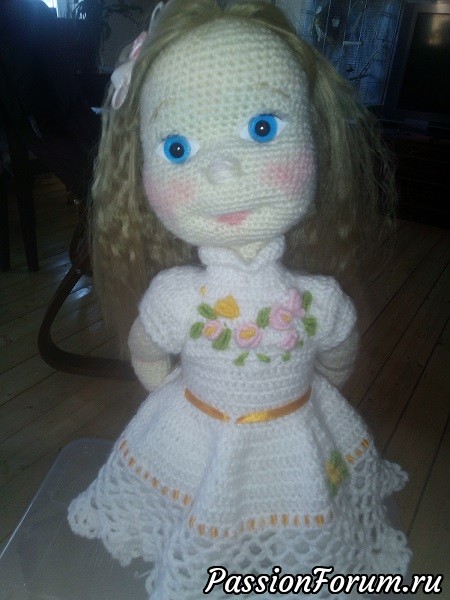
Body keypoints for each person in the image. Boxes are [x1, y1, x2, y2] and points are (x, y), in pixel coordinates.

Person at [68, 1, 410, 598]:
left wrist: (167, 388)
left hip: (280, 423)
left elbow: (150, 354)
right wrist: (180, 396)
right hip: (211, 421)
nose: (223, 172)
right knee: (205, 503)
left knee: (299, 509)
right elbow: (337, 358)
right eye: (178, 148)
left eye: (262, 129)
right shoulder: (216, 299)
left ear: (313, 137)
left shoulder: (311, 301)